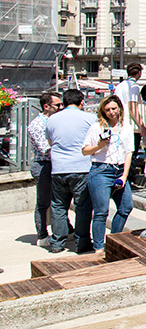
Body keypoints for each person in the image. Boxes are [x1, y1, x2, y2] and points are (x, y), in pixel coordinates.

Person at [45, 89, 95, 254]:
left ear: (64, 102)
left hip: (58, 168)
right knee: (82, 206)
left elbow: (51, 141)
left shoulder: (52, 119)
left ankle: (57, 243)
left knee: (59, 206)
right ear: (82, 102)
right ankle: (82, 243)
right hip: (81, 167)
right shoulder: (89, 118)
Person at [81, 95, 133, 252]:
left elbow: (129, 152)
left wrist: (124, 175)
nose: (111, 112)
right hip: (101, 169)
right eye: (108, 110)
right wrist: (99, 145)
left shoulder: (127, 127)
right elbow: (84, 150)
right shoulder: (97, 127)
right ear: (103, 111)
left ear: (120, 109)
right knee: (101, 211)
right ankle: (98, 247)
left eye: (114, 109)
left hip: (119, 169)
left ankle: (113, 240)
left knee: (126, 207)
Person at [28, 92, 62, 247]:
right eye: (57, 105)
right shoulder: (37, 125)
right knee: (43, 202)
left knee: (59, 200)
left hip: (57, 163)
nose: (61, 108)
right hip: (44, 164)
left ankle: (64, 229)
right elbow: (45, 149)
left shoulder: (55, 121)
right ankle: (42, 235)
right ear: (46, 106)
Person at [114, 62, 145, 152]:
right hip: (131, 125)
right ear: (139, 73)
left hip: (120, 122)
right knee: (131, 153)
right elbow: (132, 107)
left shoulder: (119, 86)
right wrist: (141, 125)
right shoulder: (134, 86)